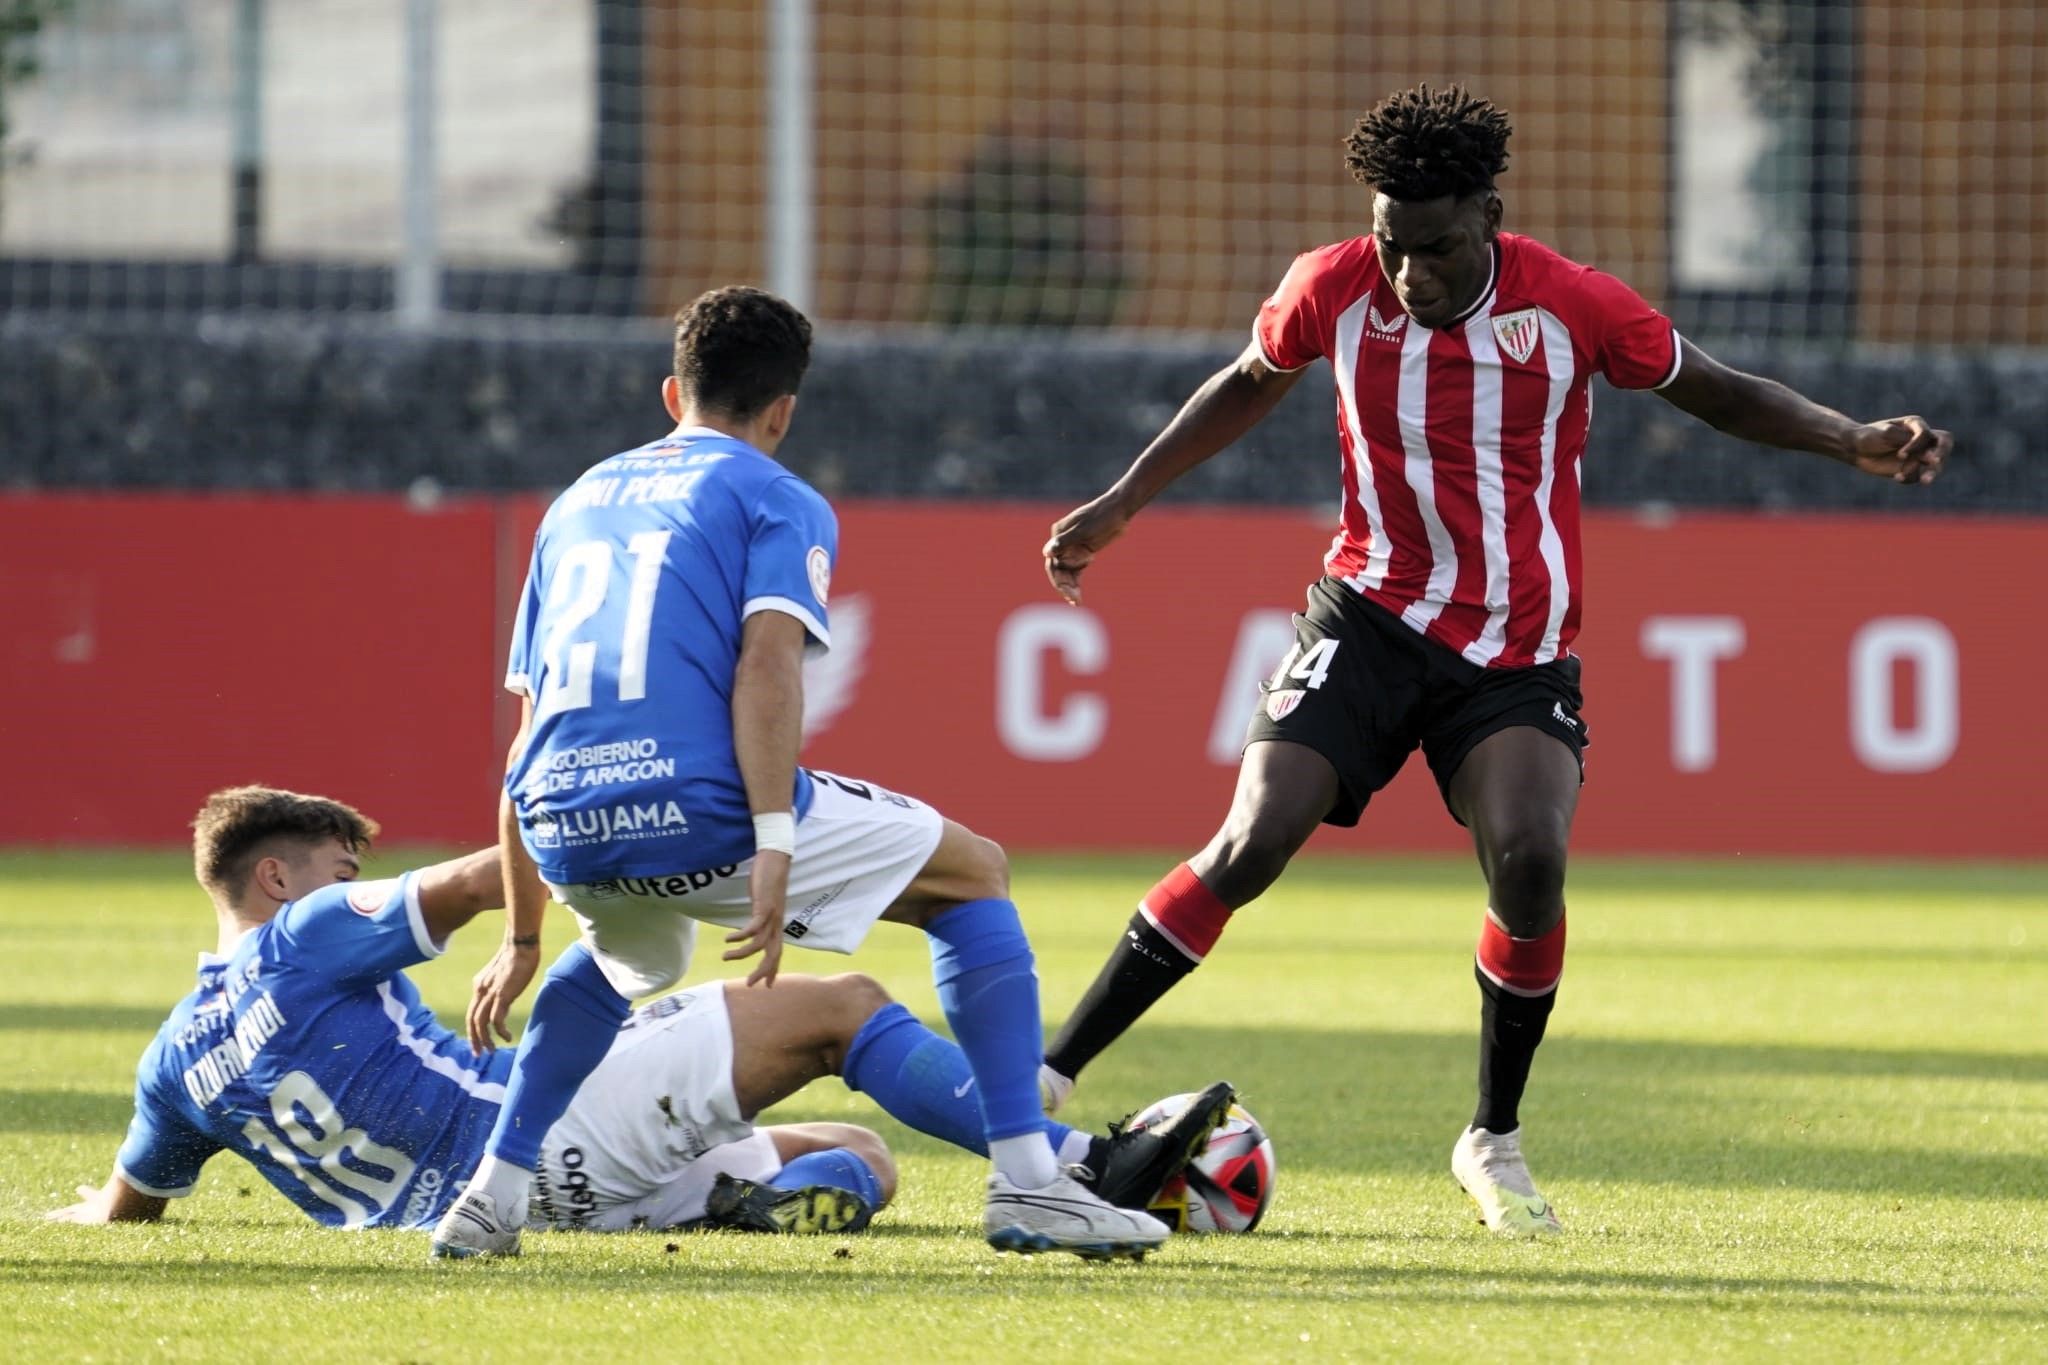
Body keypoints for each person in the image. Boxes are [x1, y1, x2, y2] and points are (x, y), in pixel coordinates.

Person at [1035, 85, 1952, 1238]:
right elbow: (1244, 384)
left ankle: (1490, 1138)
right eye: (1389, 243)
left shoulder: (1571, 305)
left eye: (1434, 247)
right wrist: (1123, 502)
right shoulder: (1330, 287)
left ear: (1487, 215)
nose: (1408, 273)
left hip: (1514, 651)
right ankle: (1048, 1081)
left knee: (1526, 860)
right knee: (1250, 839)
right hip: (1364, 618)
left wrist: (1846, 436)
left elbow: (1714, 391)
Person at [437, 286, 1230, 1261]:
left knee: (615, 956)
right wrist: (770, 840)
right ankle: (1031, 1184)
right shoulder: (776, 496)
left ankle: (490, 1197)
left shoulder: (572, 508)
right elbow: (766, 664)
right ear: (782, 411)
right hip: (703, 806)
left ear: (669, 393)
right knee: (971, 870)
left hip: (565, 817)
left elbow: (526, 729)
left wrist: (519, 931)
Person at [51, 786, 1223, 1240]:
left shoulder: (174, 1061)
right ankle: (1080, 1165)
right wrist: (601, 834)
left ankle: (744, 1200)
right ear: (275, 879)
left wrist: (62, 1222)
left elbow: (124, 1209)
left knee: (863, 1154)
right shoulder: (310, 934)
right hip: (529, 1142)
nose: (355, 878)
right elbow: (483, 874)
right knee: (841, 1008)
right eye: (341, 862)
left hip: (506, 1209)